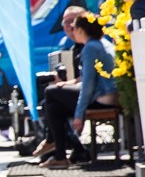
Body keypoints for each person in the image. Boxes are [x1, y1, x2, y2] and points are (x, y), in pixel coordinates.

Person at [39, 15, 118, 169]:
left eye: (74, 28)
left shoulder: (90, 48)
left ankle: (52, 141)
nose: (72, 32)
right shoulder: (103, 43)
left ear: (81, 30)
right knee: (54, 107)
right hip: (109, 95)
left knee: (50, 91)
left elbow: (88, 84)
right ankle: (60, 155)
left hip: (102, 98)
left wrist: (78, 115)